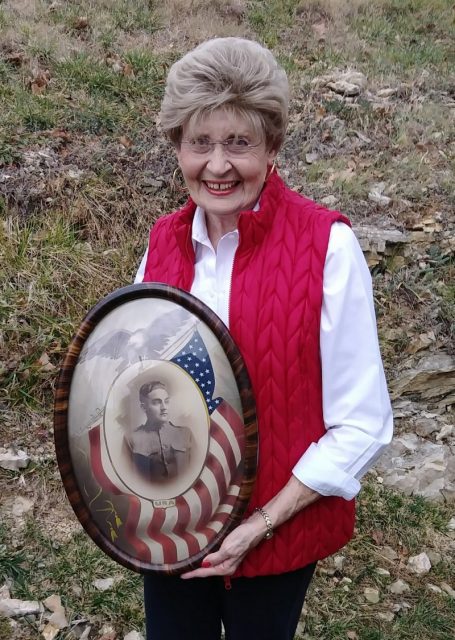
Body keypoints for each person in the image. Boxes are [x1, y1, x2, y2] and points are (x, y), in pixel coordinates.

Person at [135, 37, 393, 640]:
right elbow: (137, 382)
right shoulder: (160, 246)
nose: (217, 165)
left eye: (239, 143)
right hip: (172, 534)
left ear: (273, 146)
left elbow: (362, 423)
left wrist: (262, 524)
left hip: (276, 534)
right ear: (177, 147)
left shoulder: (327, 247)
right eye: (199, 142)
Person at [125, 381, 191, 481]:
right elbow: (130, 479)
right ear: (144, 407)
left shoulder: (185, 433)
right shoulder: (132, 439)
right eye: (156, 402)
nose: (164, 407)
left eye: (167, 401)